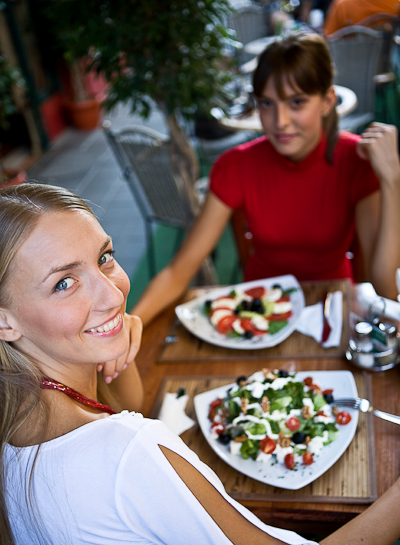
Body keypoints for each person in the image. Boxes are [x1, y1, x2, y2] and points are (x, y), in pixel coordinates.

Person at [1, 183, 400, 545]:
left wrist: (115, 342)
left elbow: (127, 408)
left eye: (104, 258)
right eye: (64, 283)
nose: (113, 291)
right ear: (5, 321)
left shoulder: (15, 418)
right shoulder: (131, 454)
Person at [132, 32, 400, 328]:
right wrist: (132, 326)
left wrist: (392, 182)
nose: (281, 121)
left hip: (333, 310)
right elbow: (179, 271)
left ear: (327, 101)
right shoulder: (236, 165)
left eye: (297, 102)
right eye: (267, 104)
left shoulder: (354, 161)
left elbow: (385, 285)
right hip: (258, 314)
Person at [324, 0, 400, 36]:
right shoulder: (394, 3)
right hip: (387, 63)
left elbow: (329, 38)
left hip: (350, 62)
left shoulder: (343, 5)